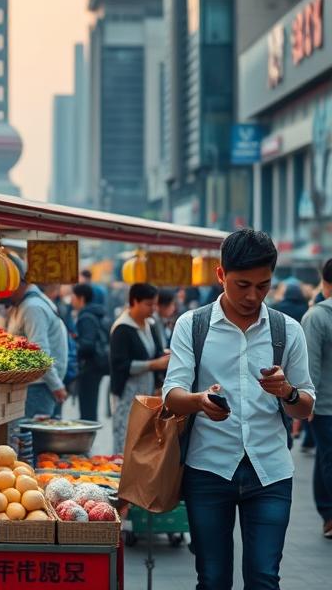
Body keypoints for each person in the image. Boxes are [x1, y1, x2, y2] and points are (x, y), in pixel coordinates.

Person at [164, 229, 315, 590]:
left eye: (262, 286)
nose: (252, 296)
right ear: (220, 275)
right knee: (213, 579)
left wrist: (287, 392)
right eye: (242, 284)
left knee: (264, 579)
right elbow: (172, 394)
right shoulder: (193, 325)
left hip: (271, 472)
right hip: (208, 469)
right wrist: (200, 401)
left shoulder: (287, 330)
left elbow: (305, 406)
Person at [5, 256, 69, 418]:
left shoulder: (32, 307)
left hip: (39, 387)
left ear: (19, 283)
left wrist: (56, 386)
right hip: (35, 386)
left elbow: (39, 351)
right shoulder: (27, 304)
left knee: (32, 438)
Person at [109, 283, 168, 455]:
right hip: (126, 394)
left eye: (155, 304)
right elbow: (120, 364)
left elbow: (153, 352)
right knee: (124, 437)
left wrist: (163, 355)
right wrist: (153, 365)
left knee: (142, 438)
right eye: (149, 304)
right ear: (134, 301)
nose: (153, 309)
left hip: (146, 392)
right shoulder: (122, 329)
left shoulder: (149, 324)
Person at [303, 257, 332, 538]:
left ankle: (327, 512)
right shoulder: (318, 316)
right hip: (324, 405)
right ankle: (328, 513)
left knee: (327, 459)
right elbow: (309, 367)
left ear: (324, 283)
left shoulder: (316, 317)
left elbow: (309, 364)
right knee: (328, 459)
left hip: (322, 403)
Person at [72, 282, 111, 421]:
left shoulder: (86, 317)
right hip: (98, 365)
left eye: (74, 297)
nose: (72, 300)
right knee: (90, 404)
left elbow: (87, 345)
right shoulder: (97, 313)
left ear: (81, 298)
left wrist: (75, 346)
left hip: (89, 367)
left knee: (87, 407)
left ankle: (87, 437)